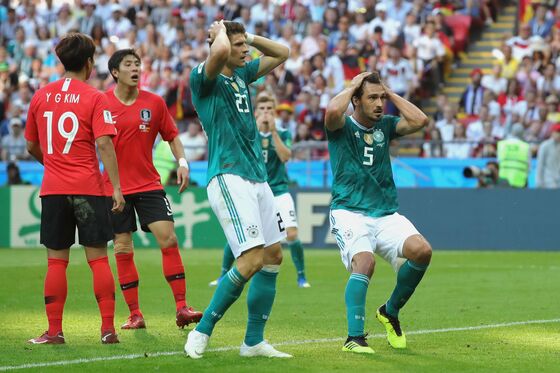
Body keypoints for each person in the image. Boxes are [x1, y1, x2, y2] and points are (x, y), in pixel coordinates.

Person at [184, 20, 290, 359]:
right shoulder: (205, 79)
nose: (247, 50)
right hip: (229, 176)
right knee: (252, 258)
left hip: (258, 179)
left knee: (273, 256)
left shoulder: (243, 74)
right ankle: (202, 331)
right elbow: (218, 52)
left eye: (247, 44)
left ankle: (253, 342)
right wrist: (220, 37)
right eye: (240, 45)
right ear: (222, 46)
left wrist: (249, 37)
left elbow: (283, 52)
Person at [24, 33, 125, 345]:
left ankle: (54, 331)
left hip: (53, 189)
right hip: (89, 188)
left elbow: (31, 145)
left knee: (56, 262)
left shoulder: (40, 96)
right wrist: (117, 188)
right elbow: (105, 143)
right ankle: (108, 329)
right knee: (98, 260)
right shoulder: (95, 97)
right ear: (89, 63)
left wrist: (54, 165)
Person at [325, 71, 432, 354]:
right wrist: (351, 86)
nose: (379, 103)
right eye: (372, 98)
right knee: (365, 263)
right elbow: (333, 109)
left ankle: (390, 311)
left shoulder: (385, 125)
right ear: (356, 101)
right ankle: (354, 337)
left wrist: (389, 92)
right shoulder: (340, 126)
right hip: (349, 211)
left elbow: (421, 120)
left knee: (422, 251)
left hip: (385, 213)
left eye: (381, 98)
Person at [104, 48, 202, 330]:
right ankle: (135, 314)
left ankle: (182, 307)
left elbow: (172, 137)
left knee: (168, 239)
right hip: (114, 188)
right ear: (115, 72)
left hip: (148, 184)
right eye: (128, 64)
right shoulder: (101, 103)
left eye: (138, 64)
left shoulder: (155, 103)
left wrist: (182, 162)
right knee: (123, 248)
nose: (135, 68)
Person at [209, 92, 310, 288]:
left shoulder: (283, 133)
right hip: (254, 190)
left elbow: (285, 156)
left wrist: (272, 132)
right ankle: (222, 274)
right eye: (262, 109)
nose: (266, 113)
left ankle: (301, 277)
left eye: (269, 110)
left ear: (274, 113)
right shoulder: (248, 133)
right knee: (242, 234)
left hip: (279, 191)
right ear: (255, 113)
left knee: (291, 235)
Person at [497, 123, 531, 188]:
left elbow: (498, 161)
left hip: (503, 180)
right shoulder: (525, 146)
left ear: (512, 132)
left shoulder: (502, 144)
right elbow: (528, 167)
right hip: (520, 181)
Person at [536, 123, 560, 188]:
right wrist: (539, 182)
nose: (558, 134)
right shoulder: (545, 146)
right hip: (548, 181)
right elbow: (540, 164)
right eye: (557, 132)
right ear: (552, 132)